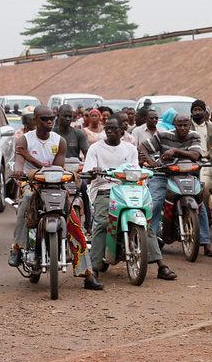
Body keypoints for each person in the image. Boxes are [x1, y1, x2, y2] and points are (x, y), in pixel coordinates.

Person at [9, 105, 103, 290]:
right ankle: (17, 248)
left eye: (51, 118)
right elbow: (19, 162)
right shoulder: (23, 140)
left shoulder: (59, 141)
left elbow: (57, 168)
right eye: (44, 119)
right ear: (36, 121)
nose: (49, 122)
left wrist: (31, 159)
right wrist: (19, 169)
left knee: (74, 222)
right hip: (32, 183)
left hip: (55, 184)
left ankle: (87, 274)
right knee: (26, 201)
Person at [85, 115, 178, 280]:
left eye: (114, 128)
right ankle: (93, 270)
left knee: (146, 222)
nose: (110, 131)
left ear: (122, 130)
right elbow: (88, 174)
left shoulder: (130, 148)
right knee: (104, 223)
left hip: (129, 188)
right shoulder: (95, 149)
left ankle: (160, 265)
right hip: (104, 189)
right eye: (107, 128)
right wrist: (93, 172)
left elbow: (135, 171)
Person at [139, 114, 212, 258]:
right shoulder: (163, 135)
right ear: (174, 125)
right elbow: (142, 147)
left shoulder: (194, 135)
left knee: (200, 205)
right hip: (163, 175)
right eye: (179, 125)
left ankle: (206, 243)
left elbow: (195, 155)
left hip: (187, 175)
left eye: (185, 125)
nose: (182, 128)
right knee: (155, 203)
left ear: (190, 125)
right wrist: (151, 162)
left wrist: (175, 151)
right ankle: (151, 242)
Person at [190, 100, 212, 223]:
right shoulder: (187, 126)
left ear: (204, 112)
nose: (197, 112)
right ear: (191, 112)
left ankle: (207, 212)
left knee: (207, 186)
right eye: (195, 110)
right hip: (190, 162)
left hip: (209, 163)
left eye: (199, 110)